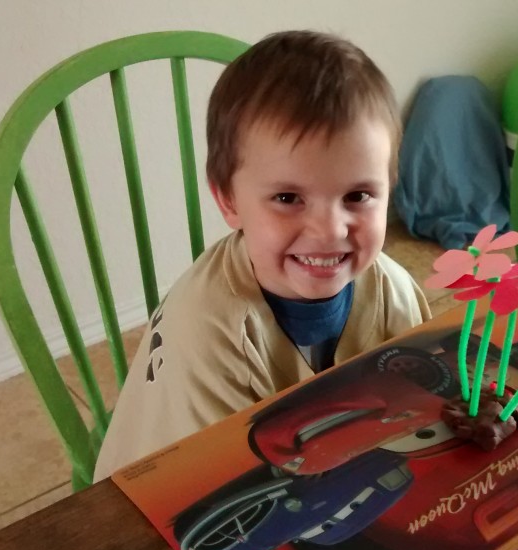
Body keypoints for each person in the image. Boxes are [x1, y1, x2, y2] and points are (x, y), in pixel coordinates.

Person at [94, 31, 431, 481]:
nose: (330, 231)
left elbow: (422, 395)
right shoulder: (208, 331)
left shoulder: (392, 290)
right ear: (229, 200)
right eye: (288, 198)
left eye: (358, 195)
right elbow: (224, 484)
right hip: (164, 489)